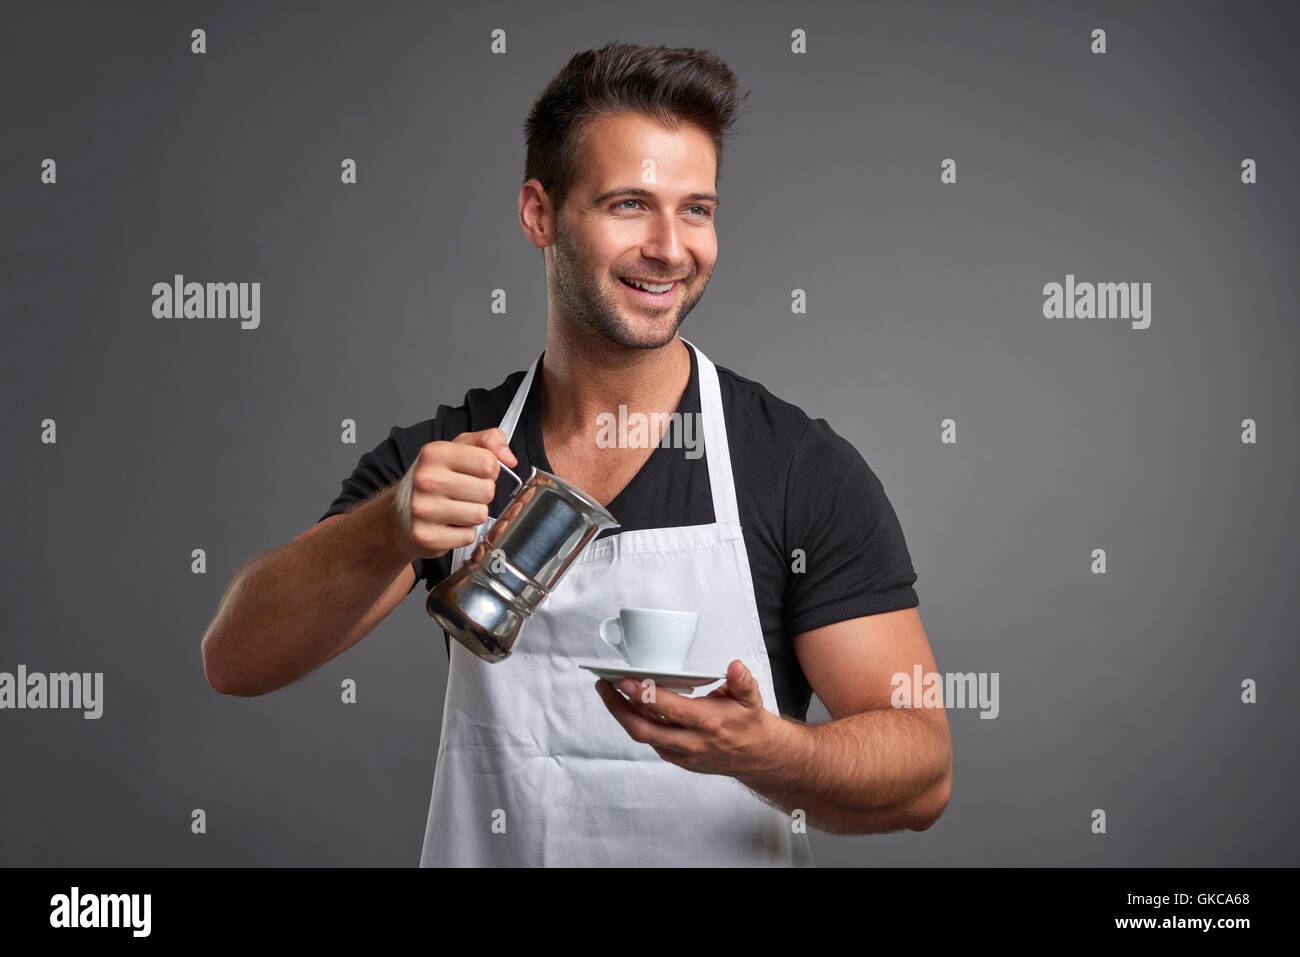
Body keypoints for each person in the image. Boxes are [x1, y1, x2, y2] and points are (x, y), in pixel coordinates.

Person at [201, 41, 952, 867]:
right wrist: (387, 526)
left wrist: (764, 751)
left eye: (696, 208)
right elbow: (236, 658)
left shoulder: (795, 466)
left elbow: (922, 775)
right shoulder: (452, 455)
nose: (671, 247)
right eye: (630, 204)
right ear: (539, 213)